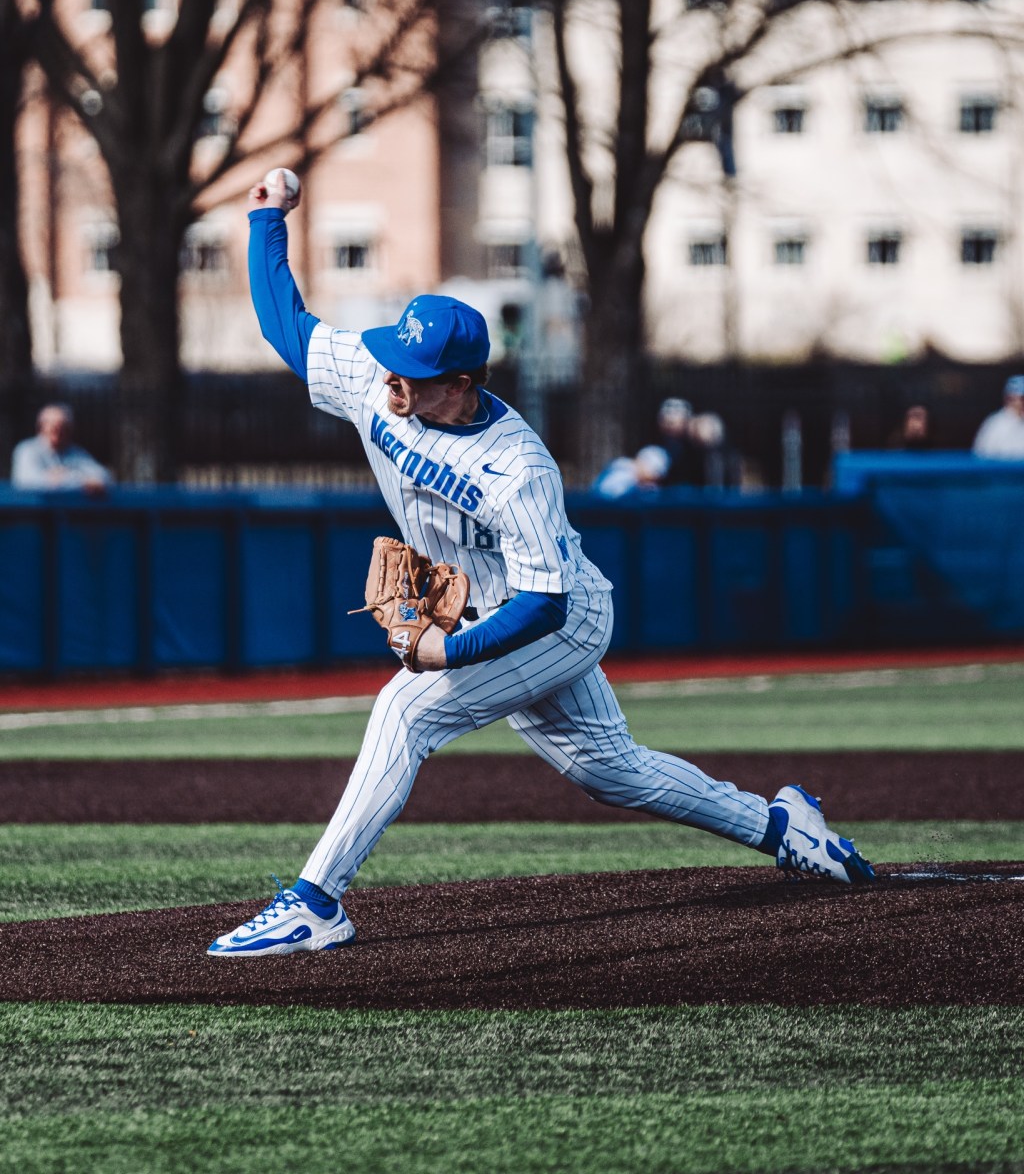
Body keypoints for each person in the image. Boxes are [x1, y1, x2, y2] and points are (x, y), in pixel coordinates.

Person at [207, 170, 874, 958]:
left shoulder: (518, 467)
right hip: (500, 607)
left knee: (403, 713)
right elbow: (289, 326)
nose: (392, 377)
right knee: (612, 773)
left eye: (414, 376)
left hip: (555, 616)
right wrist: (265, 222)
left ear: (459, 386)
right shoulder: (375, 375)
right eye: (392, 358)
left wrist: (446, 651)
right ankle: (780, 823)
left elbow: (544, 604)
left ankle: (316, 902)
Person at [10, 404, 112, 494]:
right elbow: (28, 481)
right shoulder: (27, 450)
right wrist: (80, 480)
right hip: (32, 512)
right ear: (41, 427)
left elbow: (104, 476)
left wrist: (64, 477)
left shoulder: (76, 453)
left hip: (68, 512)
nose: (59, 432)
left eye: (64, 428)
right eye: (54, 427)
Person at [973, 376, 1024, 460]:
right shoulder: (994, 424)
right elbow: (981, 456)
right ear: (1008, 399)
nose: (1021, 403)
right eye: (1021, 398)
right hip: (1002, 472)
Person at [593, 444, 670, 498]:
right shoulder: (623, 472)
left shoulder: (642, 483)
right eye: (654, 472)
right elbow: (607, 495)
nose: (654, 478)